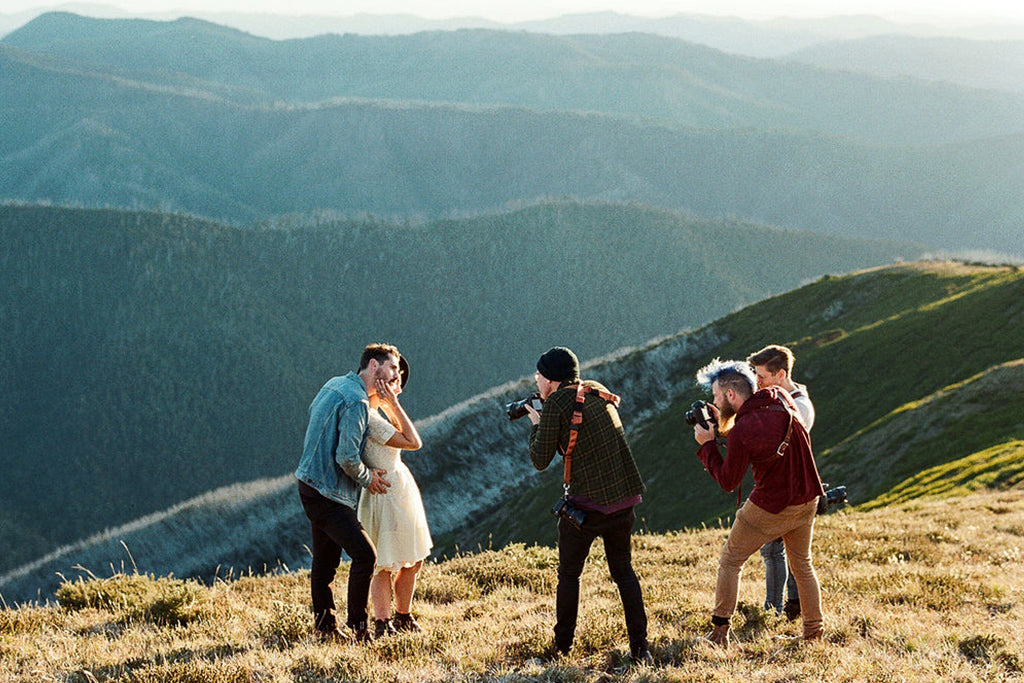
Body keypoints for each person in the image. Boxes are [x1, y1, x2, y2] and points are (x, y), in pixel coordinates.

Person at [522, 347, 652, 665]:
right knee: (623, 572)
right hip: (623, 501)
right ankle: (641, 647)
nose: (536, 379)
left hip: (586, 507)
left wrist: (537, 422)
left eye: (539, 374)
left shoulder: (555, 405)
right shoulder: (596, 391)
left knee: (569, 574)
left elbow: (539, 459)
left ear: (551, 379)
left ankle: (563, 648)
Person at [691, 358, 826, 646]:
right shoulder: (781, 397)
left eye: (716, 395)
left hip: (772, 504)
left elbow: (729, 481)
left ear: (730, 395)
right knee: (802, 564)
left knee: (730, 561)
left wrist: (708, 445)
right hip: (808, 496)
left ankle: (719, 633)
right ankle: (813, 633)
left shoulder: (743, 430)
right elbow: (759, 434)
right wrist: (723, 427)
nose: (713, 400)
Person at [294, 343, 399, 643]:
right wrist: (369, 479)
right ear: (374, 367)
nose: (396, 374)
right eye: (392, 368)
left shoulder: (335, 384)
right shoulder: (356, 401)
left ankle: (326, 628)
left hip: (310, 483)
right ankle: (359, 628)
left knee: (325, 562)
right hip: (329, 493)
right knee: (366, 555)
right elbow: (347, 457)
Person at [357, 356, 433, 638]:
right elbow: (413, 441)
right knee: (385, 561)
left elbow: (403, 434)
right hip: (384, 492)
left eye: (399, 375)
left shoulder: (379, 411)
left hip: (401, 489)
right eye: (392, 372)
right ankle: (383, 621)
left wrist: (390, 402)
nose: (397, 378)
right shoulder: (369, 416)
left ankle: (403, 615)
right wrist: (395, 403)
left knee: (413, 558)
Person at [747, 344, 815, 620]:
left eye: (761, 375)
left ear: (780, 374)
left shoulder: (799, 406)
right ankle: (791, 606)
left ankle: (775, 609)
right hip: (784, 486)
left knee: (778, 550)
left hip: (787, 489)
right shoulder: (781, 398)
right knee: (784, 550)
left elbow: (771, 440)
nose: (757, 382)